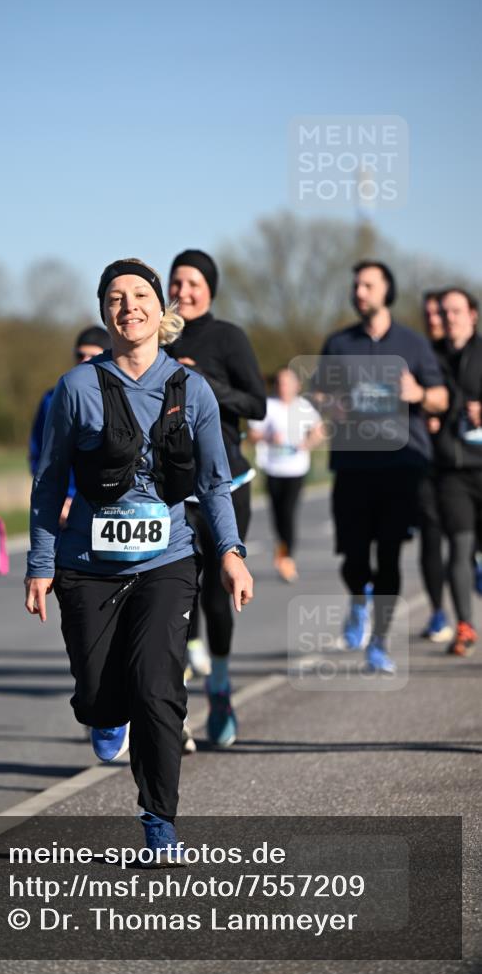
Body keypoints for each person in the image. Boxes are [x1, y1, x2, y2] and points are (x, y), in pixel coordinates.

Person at [24, 258, 253, 859]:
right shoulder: (75, 388)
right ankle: (104, 715)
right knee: (99, 694)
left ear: (160, 310)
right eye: (116, 298)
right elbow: (49, 483)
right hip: (87, 566)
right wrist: (40, 564)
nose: (129, 306)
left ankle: (159, 822)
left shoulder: (191, 389)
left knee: (158, 689)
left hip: (167, 561)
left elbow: (213, 481)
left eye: (140, 295)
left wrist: (229, 551)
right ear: (104, 313)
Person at [317, 262, 448, 673]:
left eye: (367, 285)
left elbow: (442, 398)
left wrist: (418, 392)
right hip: (352, 465)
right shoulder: (338, 343)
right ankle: (359, 600)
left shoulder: (413, 343)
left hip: (400, 466)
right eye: (355, 285)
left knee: (389, 556)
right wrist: (328, 405)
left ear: (386, 290)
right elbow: (319, 394)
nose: (359, 292)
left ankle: (379, 643)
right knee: (354, 559)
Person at [166, 249, 265, 750]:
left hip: (225, 484)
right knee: (174, 595)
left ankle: (220, 686)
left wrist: (205, 385)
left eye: (193, 282)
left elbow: (258, 404)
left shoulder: (227, 337)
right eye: (175, 281)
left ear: (209, 288)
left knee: (215, 590)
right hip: (169, 490)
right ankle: (174, 709)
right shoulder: (155, 338)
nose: (182, 290)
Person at [430, 288, 481, 656]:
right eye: (444, 311)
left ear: (473, 315)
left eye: (457, 311)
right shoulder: (430, 358)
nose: (450, 317)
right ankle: (465, 625)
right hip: (451, 469)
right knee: (459, 548)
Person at [248, 367, 324, 582]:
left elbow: (319, 429)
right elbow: (253, 433)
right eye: (280, 383)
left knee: (288, 514)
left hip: (296, 468)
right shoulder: (268, 406)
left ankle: (287, 558)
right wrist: (270, 436)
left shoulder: (304, 407)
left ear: (296, 385)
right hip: (272, 467)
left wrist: (306, 444)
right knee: (277, 514)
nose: (284, 387)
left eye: (288, 382)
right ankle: (282, 550)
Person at [28, 326, 110, 527]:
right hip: (63, 507)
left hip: (107, 506)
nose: (84, 360)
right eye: (80, 355)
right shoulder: (52, 398)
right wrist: (60, 499)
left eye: (92, 355)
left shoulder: (123, 398)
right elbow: (40, 454)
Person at [417, 291, 454, 643]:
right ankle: (438, 612)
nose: (433, 319)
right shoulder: (418, 353)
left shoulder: (465, 354)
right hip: (427, 461)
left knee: (463, 538)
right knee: (430, 534)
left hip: (465, 463)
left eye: (438, 312)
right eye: (427, 313)